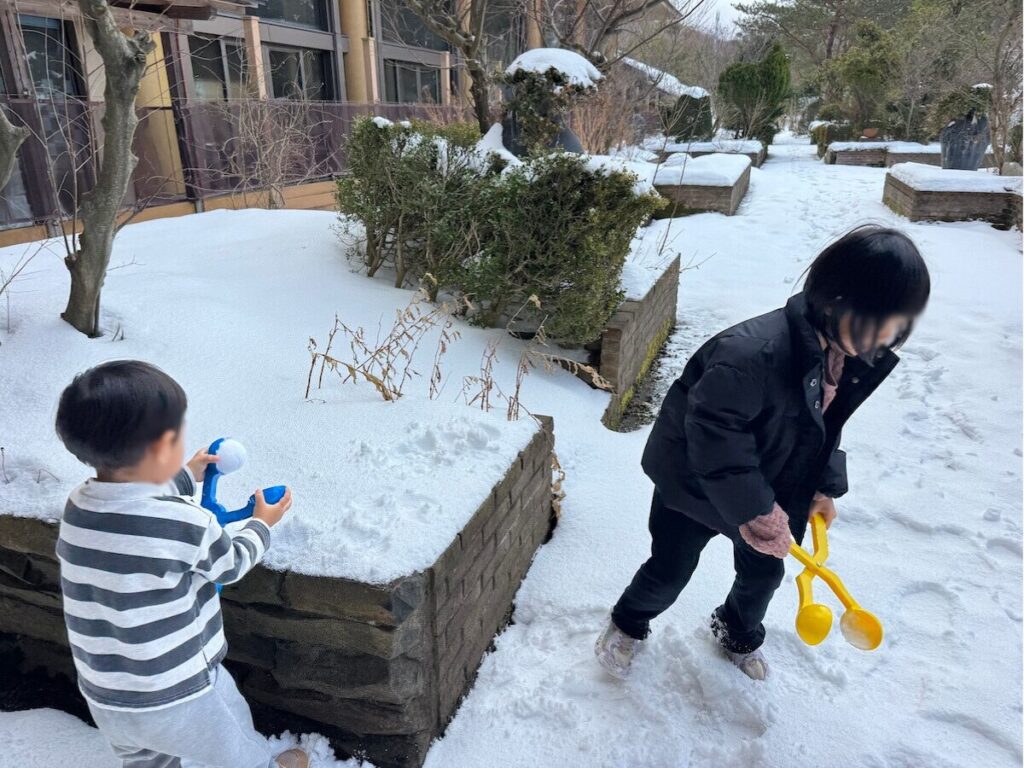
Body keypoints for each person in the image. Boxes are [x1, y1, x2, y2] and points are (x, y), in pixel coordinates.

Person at [595, 225, 931, 681]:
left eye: (898, 325)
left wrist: (821, 487)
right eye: (879, 322)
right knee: (670, 569)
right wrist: (757, 510)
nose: (886, 337)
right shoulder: (751, 355)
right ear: (835, 303)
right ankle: (627, 623)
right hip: (692, 484)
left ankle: (735, 630)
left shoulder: (840, 358)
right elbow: (715, 441)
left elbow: (821, 428)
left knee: (763, 578)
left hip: (766, 491)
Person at [54, 360, 306, 768]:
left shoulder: (80, 507)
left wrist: (188, 475)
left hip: (108, 696)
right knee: (235, 745)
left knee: (149, 763)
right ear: (160, 448)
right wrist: (262, 523)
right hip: (182, 694)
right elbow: (231, 563)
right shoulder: (184, 521)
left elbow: (133, 501)